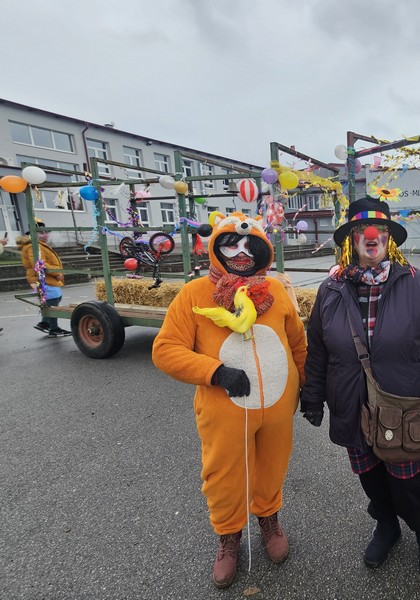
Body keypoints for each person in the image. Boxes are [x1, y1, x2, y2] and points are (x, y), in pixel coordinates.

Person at [300, 196, 420, 579]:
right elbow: (317, 349)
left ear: (388, 238)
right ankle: (386, 525)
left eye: (379, 230)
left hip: (403, 404)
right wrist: (313, 397)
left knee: (408, 481)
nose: (371, 236)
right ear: (351, 240)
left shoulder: (417, 284)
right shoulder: (331, 289)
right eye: (361, 231)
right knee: (369, 476)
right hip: (351, 402)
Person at [152, 211, 307, 589]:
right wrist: (216, 372)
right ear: (216, 248)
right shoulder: (194, 294)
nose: (240, 252)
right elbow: (165, 349)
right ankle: (229, 535)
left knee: (272, 466)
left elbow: (299, 343)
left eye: (249, 245)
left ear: (263, 250)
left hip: (277, 409)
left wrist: (307, 389)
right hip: (224, 411)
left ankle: (269, 518)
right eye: (231, 244)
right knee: (223, 475)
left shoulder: (276, 292)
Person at [17, 220, 71, 337]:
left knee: (55, 299)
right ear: (33, 233)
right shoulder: (34, 246)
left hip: (47, 278)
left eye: (46, 232)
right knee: (53, 302)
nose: (45, 235)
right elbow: (39, 263)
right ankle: (54, 329)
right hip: (44, 278)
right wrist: (55, 272)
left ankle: (44, 323)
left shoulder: (39, 245)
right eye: (41, 233)